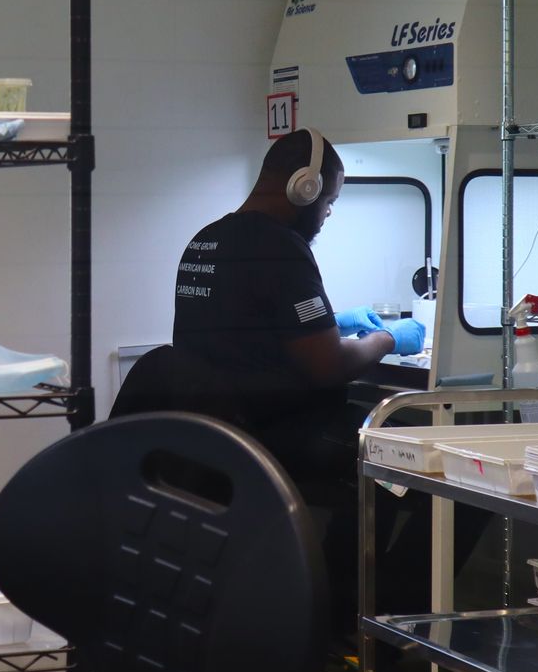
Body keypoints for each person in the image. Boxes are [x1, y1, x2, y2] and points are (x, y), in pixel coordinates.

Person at [170, 127, 424, 490]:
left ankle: (342, 547)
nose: (328, 212)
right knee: (438, 467)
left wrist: (332, 323)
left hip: (219, 436)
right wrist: (388, 338)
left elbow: (245, 331)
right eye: (329, 200)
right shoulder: (280, 246)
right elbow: (329, 365)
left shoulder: (205, 239)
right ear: (305, 188)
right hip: (280, 435)